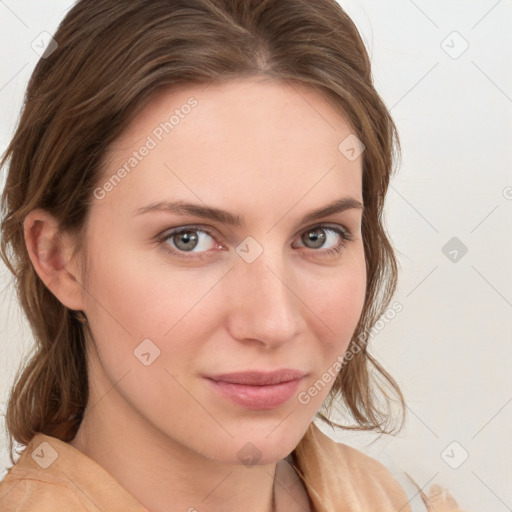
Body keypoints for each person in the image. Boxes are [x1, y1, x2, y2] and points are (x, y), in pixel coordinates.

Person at [0, 0, 465, 511]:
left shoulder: (410, 502)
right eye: (190, 239)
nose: (273, 322)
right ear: (58, 258)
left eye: (318, 236)